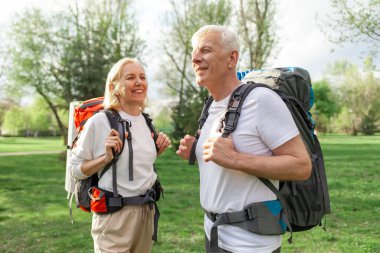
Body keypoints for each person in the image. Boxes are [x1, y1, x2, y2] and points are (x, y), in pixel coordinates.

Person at [176, 25, 312, 253]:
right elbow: (220, 161)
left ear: (232, 58)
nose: (196, 58)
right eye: (194, 53)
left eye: (205, 50)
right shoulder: (211, 105)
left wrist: (235, 159)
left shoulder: (260, 100)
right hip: (214, 233)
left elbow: (301, 166)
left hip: (251, 244)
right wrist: (196, 152)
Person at [69, 57, 171, 253]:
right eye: (130, 77)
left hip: (146, 213)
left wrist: (156, 151)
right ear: (114, 86)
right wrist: (105, 158)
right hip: (115, 215)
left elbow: (131, 165)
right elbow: (75, 169)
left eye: (142, 77)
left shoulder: (145, 120)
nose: (139, 82)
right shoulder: (100, 122)